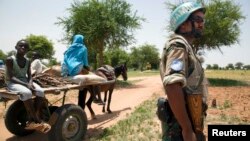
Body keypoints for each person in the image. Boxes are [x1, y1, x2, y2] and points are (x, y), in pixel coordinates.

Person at [159, 1, 208, 141]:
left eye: (202, 20)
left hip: (191, 121)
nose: (202, 24)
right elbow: (172, 85)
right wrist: (187, 129)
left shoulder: (186, 47)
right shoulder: (178, 46)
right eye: (197, 20)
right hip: (180, 129)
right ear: (183, 24)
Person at [5, 39, 51, 133]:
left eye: (25, 47)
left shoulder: (27, 61)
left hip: (25, 81)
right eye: (21, 46)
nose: (23, 48)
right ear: (16, 47)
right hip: (12, 82)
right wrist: (26, 85)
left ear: (27, 50)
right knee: (27, 92)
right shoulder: (10, 59)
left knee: (40, 91)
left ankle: (34, 116)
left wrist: (30, 82)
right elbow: (11, 77)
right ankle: (36, 120)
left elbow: (29, 75)